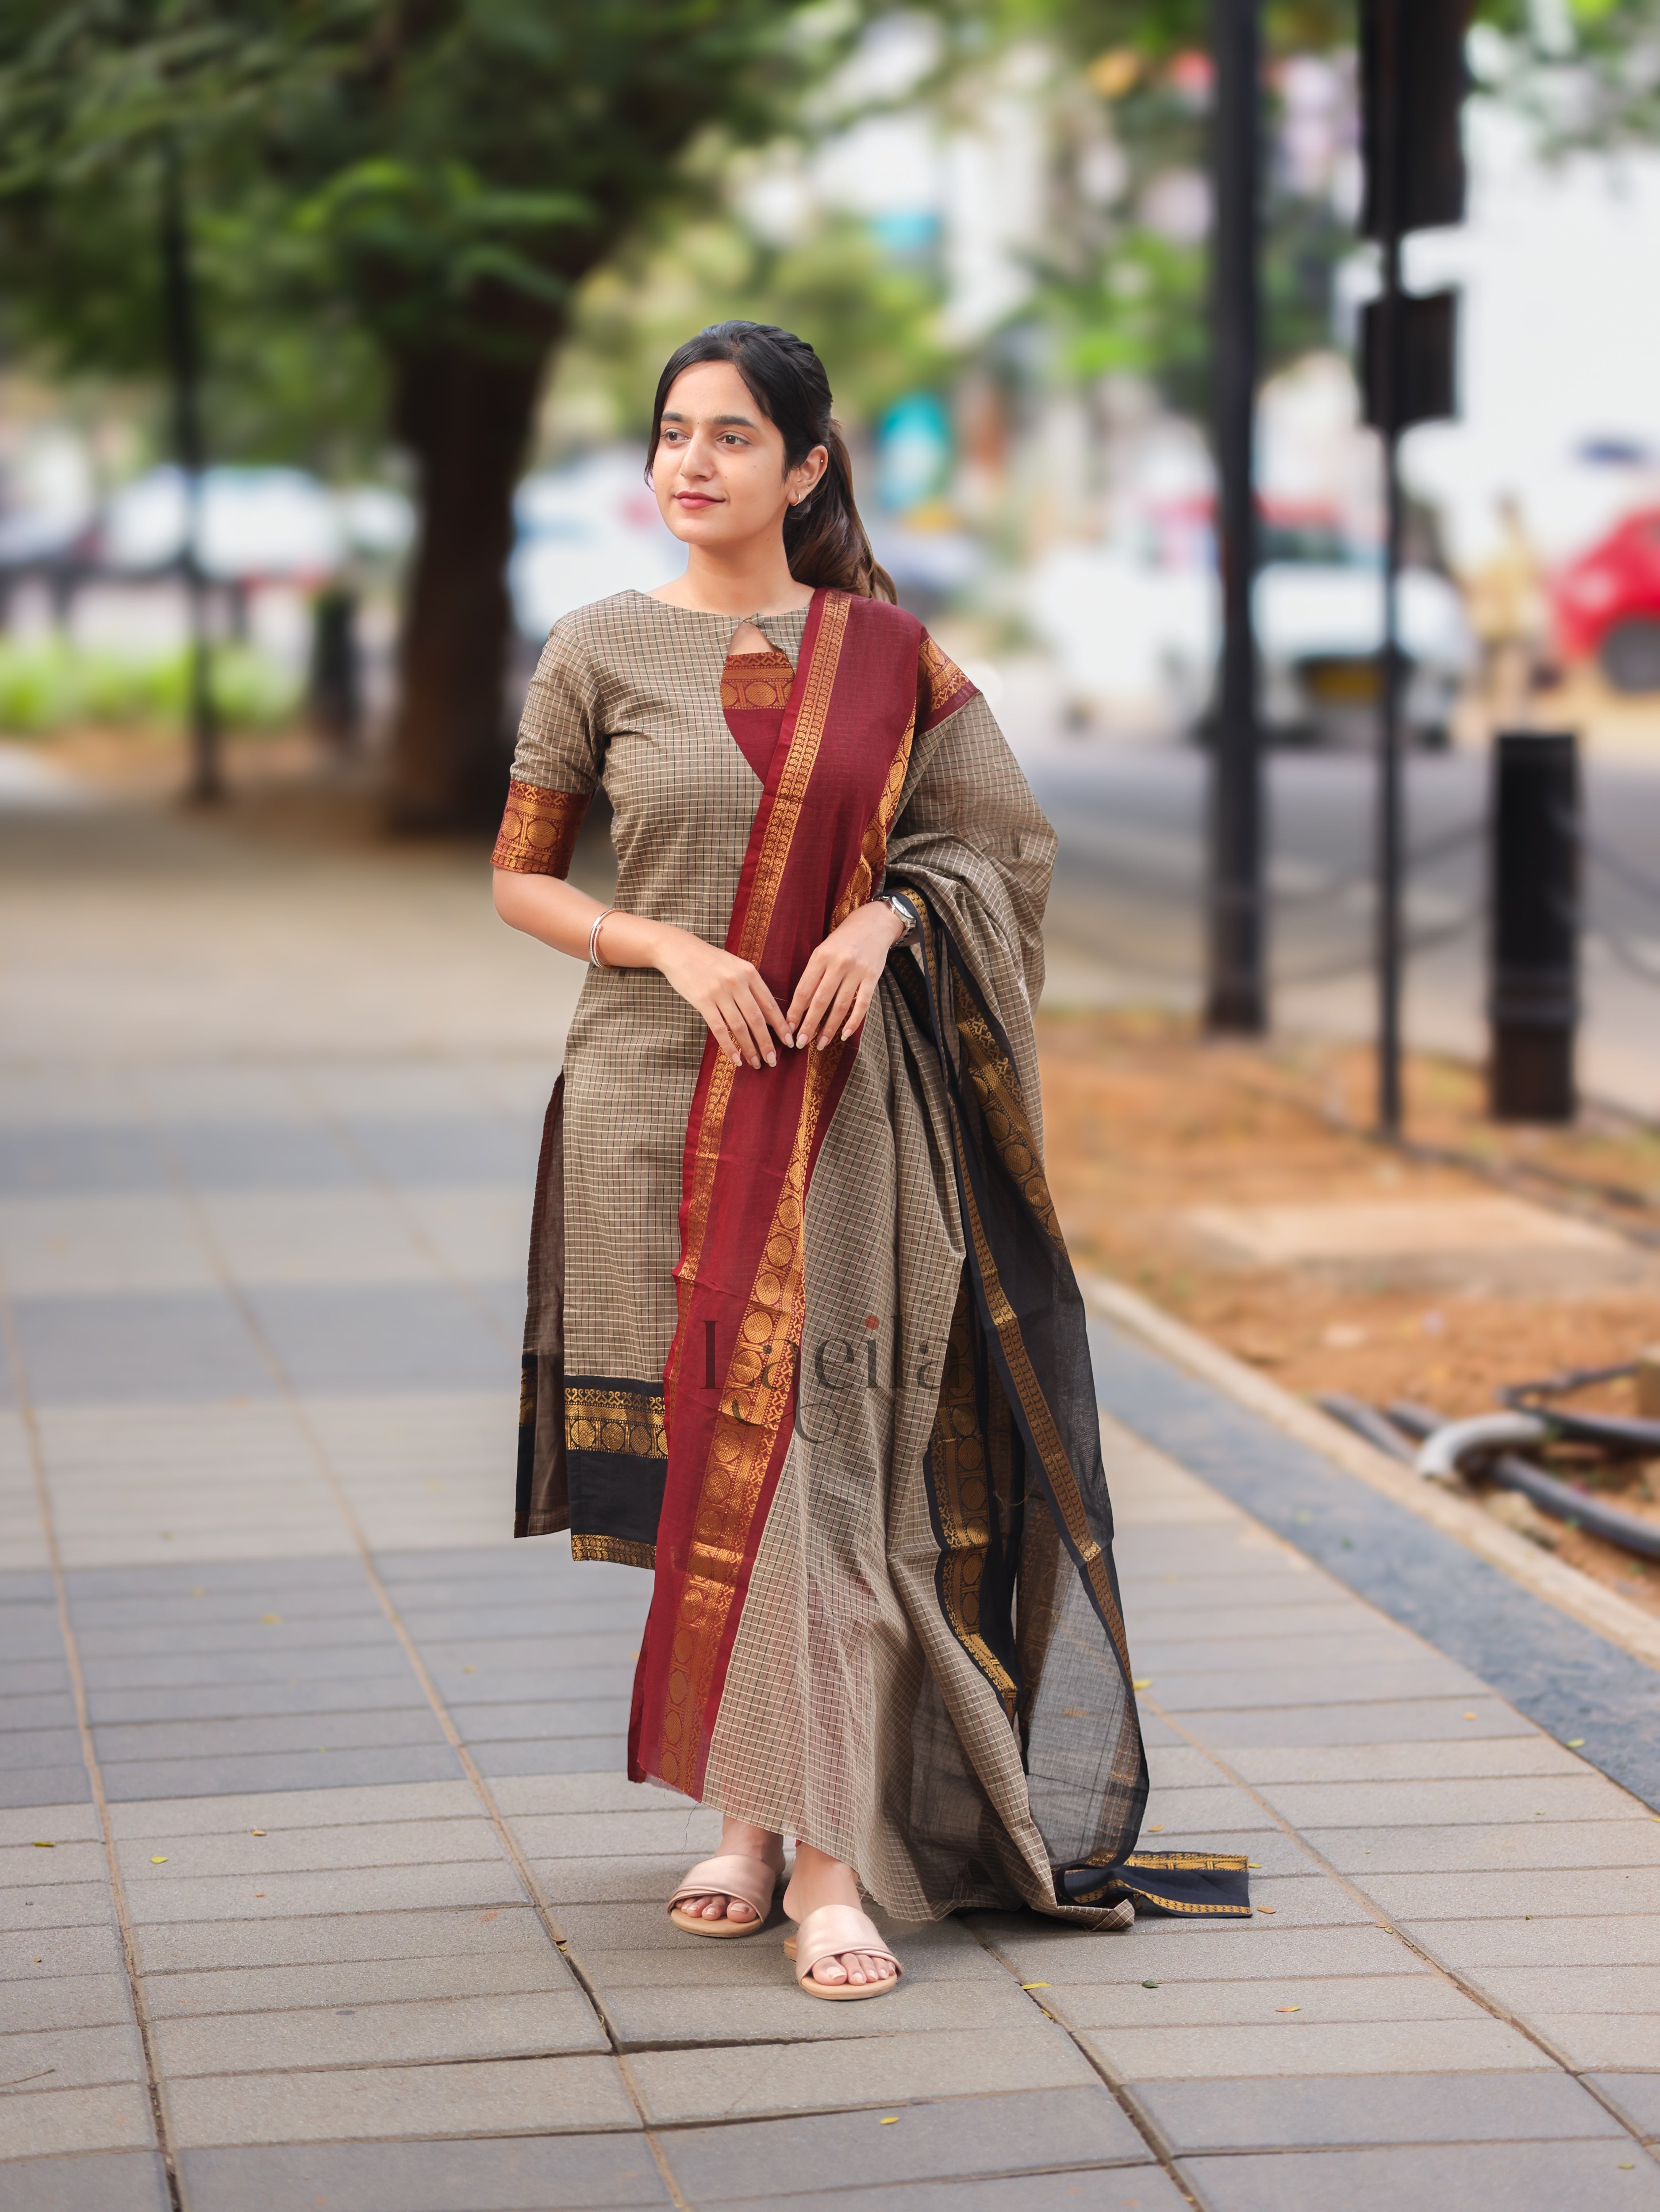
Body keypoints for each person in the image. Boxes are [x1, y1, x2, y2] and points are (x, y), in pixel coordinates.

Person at [492, 322, 1247, 2001]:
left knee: (821, 1468)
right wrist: (666, 949)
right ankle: (752, 1825)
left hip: (844, 1119)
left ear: (809, 466)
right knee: (718, 1474)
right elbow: (520, 878)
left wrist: (897, 916)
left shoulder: (892, 657)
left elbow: (1002, 848)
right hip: (648, 1107)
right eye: (673, 434)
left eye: (733, 437)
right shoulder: (598, 648)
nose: (692, 463)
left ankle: (821, 1855)